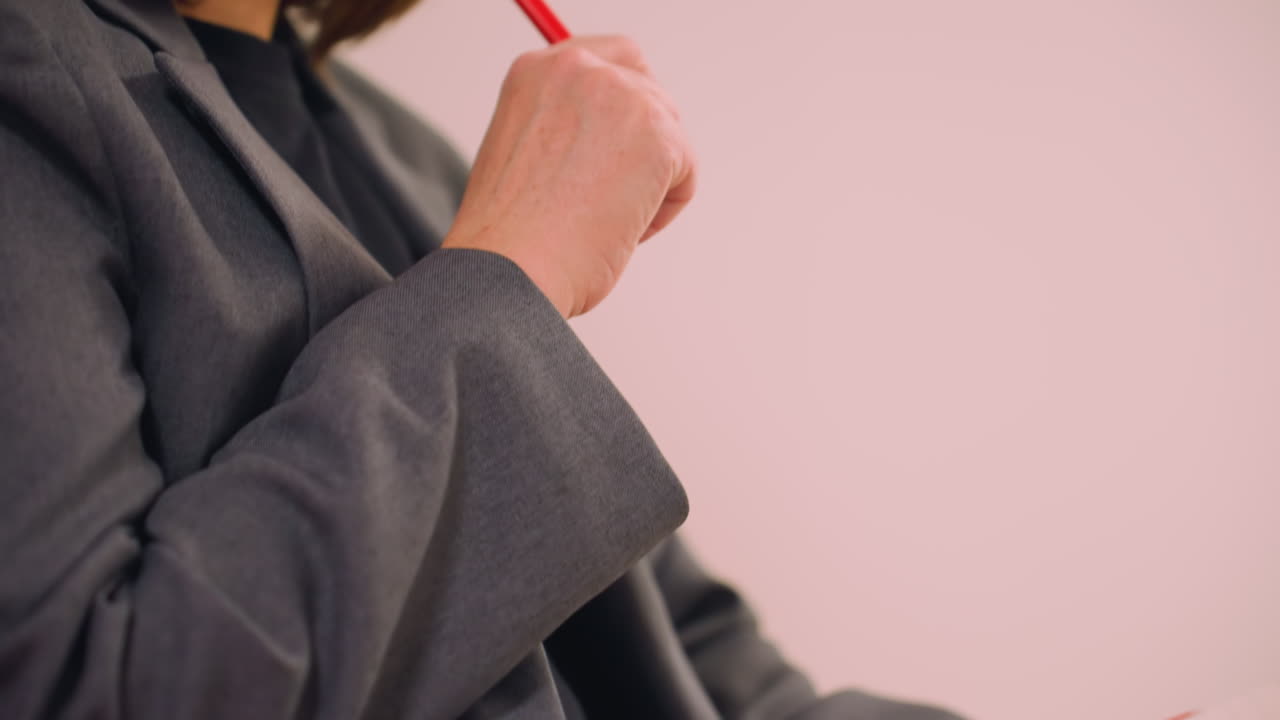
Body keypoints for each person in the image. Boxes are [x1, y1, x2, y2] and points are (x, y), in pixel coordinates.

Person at [0, 0, 967, 717]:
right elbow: (88, 687)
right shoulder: (31, 75)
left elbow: (680, 643)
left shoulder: (403, 150)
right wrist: (508, 268)